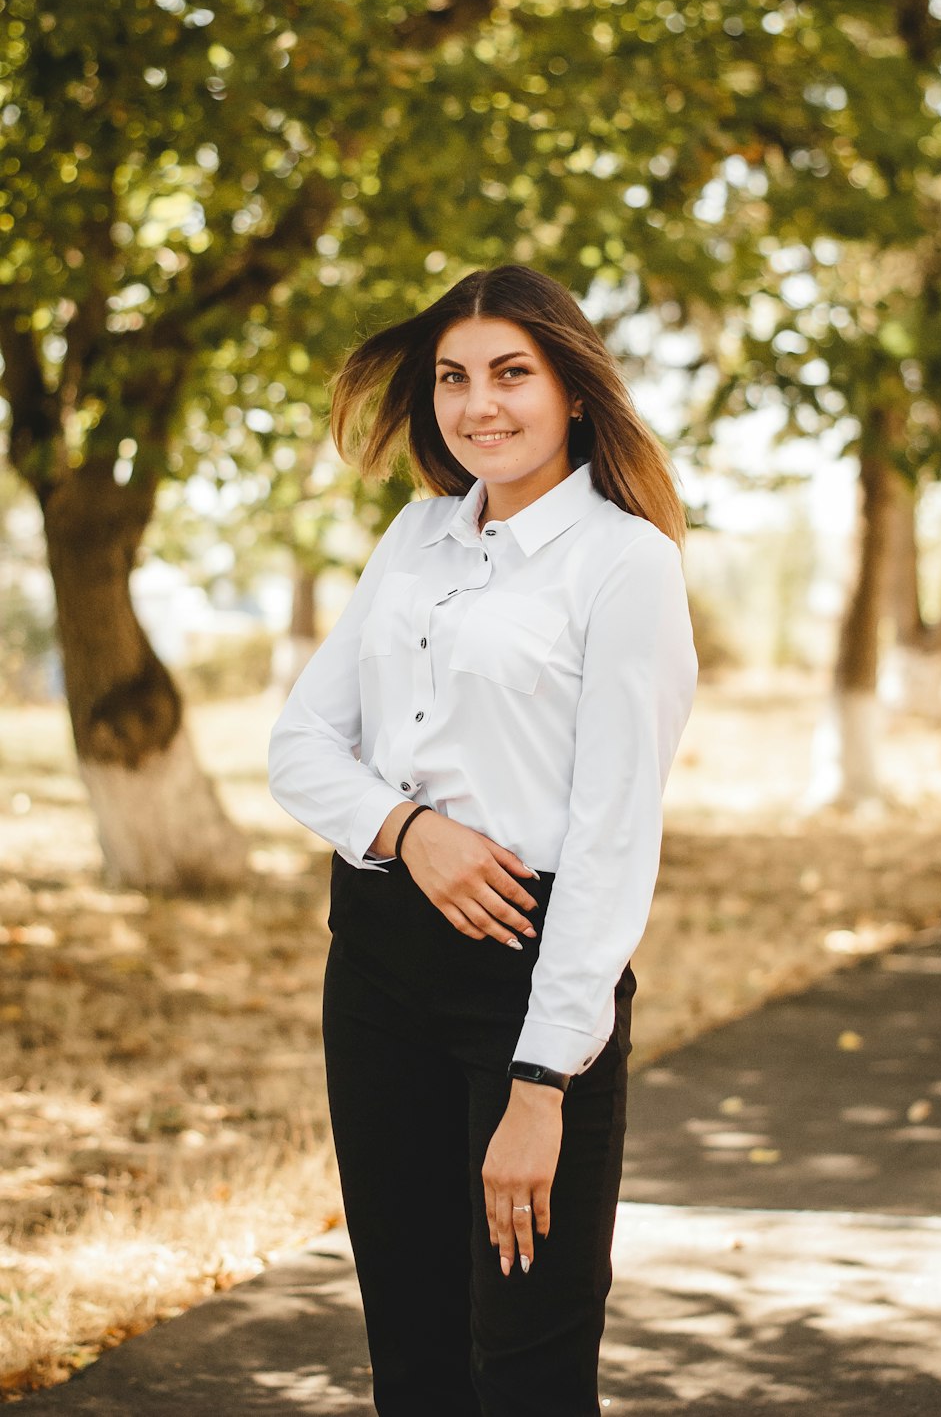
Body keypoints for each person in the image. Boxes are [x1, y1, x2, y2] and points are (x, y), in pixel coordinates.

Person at [267, 263, 698, 1417]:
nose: (478, 405)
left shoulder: (625, 566)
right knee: (411, 1350)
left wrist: (543, 1079)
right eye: (453, 378)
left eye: (512, 373)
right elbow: (300, 746)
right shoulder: (412, 539)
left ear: (572, 392)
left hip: (526, 969)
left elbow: (613, 835)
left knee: (526, 1365)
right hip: (372, 962)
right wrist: (410, 833)